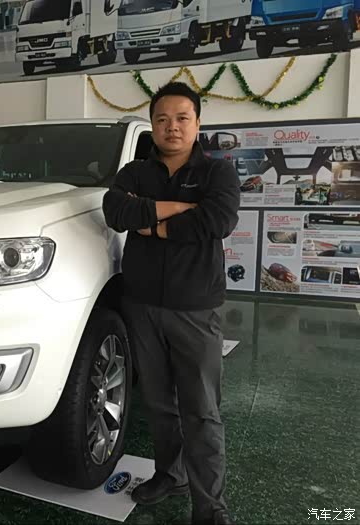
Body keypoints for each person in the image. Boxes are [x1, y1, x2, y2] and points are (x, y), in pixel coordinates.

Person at [102, 82, 240, 525]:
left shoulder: (218, 173)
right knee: (159, 403)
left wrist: (153, 222)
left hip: (194, 308)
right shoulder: (134, 173)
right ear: (153, 125)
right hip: (141, 304)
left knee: (201, 410)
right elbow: (115, 212)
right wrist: (179, 208)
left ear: (197, 124)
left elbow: (217, 220)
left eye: (182, 118)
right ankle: (170, 475)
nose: (172, 127)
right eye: (162, 119)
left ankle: (210, 506)